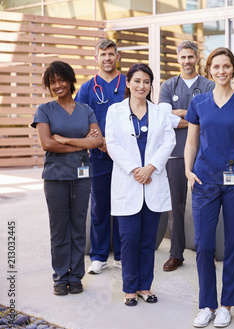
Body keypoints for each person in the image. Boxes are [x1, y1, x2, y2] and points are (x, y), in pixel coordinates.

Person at [184, 47, 234, 328]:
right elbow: (191, 142)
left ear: (233, 69)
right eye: (216, 66)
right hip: (204, 180)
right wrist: (188, 171)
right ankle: (207, 304)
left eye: (226, 66)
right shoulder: (199, 103)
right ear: (209, 70)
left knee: (233, 244)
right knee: (203, 245)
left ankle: (226, 304)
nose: (221, 71)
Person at [105, 63, 176, 306]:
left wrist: (151, 167)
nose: (141, 86)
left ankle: (145, 286)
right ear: (128, 83)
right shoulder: (115, 111)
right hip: (129, 181)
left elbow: (169, 141)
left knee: (147, 241)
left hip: (152, 181)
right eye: (137, 81)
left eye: (146, 82)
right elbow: (112, 144)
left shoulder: (160, 112)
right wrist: (135, 169)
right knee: (128, 239)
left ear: (150, 85)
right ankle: (129, 288)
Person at [31, 61, 103, 296]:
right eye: (52, 82)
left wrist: (66, 140)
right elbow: (46, 143)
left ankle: (76, 276)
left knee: (78, 226)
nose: (58, 85)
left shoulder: (86, 110)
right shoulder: (44, 110)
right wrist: (81, 144)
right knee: (59, 227)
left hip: (82, 176)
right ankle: (61, 276)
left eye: (61, 80)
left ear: (71, 80)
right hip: (56, 177)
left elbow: (97, 142)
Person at [159, 41, 215, 272]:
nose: (187, 61)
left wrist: (180, 115)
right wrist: (193, 116)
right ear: (177, 59)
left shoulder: (210, 85)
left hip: (204, 154)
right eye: (183, 57)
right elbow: (163, 118)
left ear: (197, 58)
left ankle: (206, 252)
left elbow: (210, 117)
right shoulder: (167, 86)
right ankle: (176, 254)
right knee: (176, 206)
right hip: (175, 154)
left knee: (206, 206)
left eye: (190, 57)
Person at [75, 39, 127, 274]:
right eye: (102, 54)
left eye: (111, 54)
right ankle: (99, 256)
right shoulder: (87, 88)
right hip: (99, 155)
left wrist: (116, 144)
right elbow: (81, 119)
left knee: (124, 204)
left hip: (127, 155)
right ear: (96, 58)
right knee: (100, 205)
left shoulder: (129, 83)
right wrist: (101, 142)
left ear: (118, 57)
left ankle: (121, 254)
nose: (107, 58)